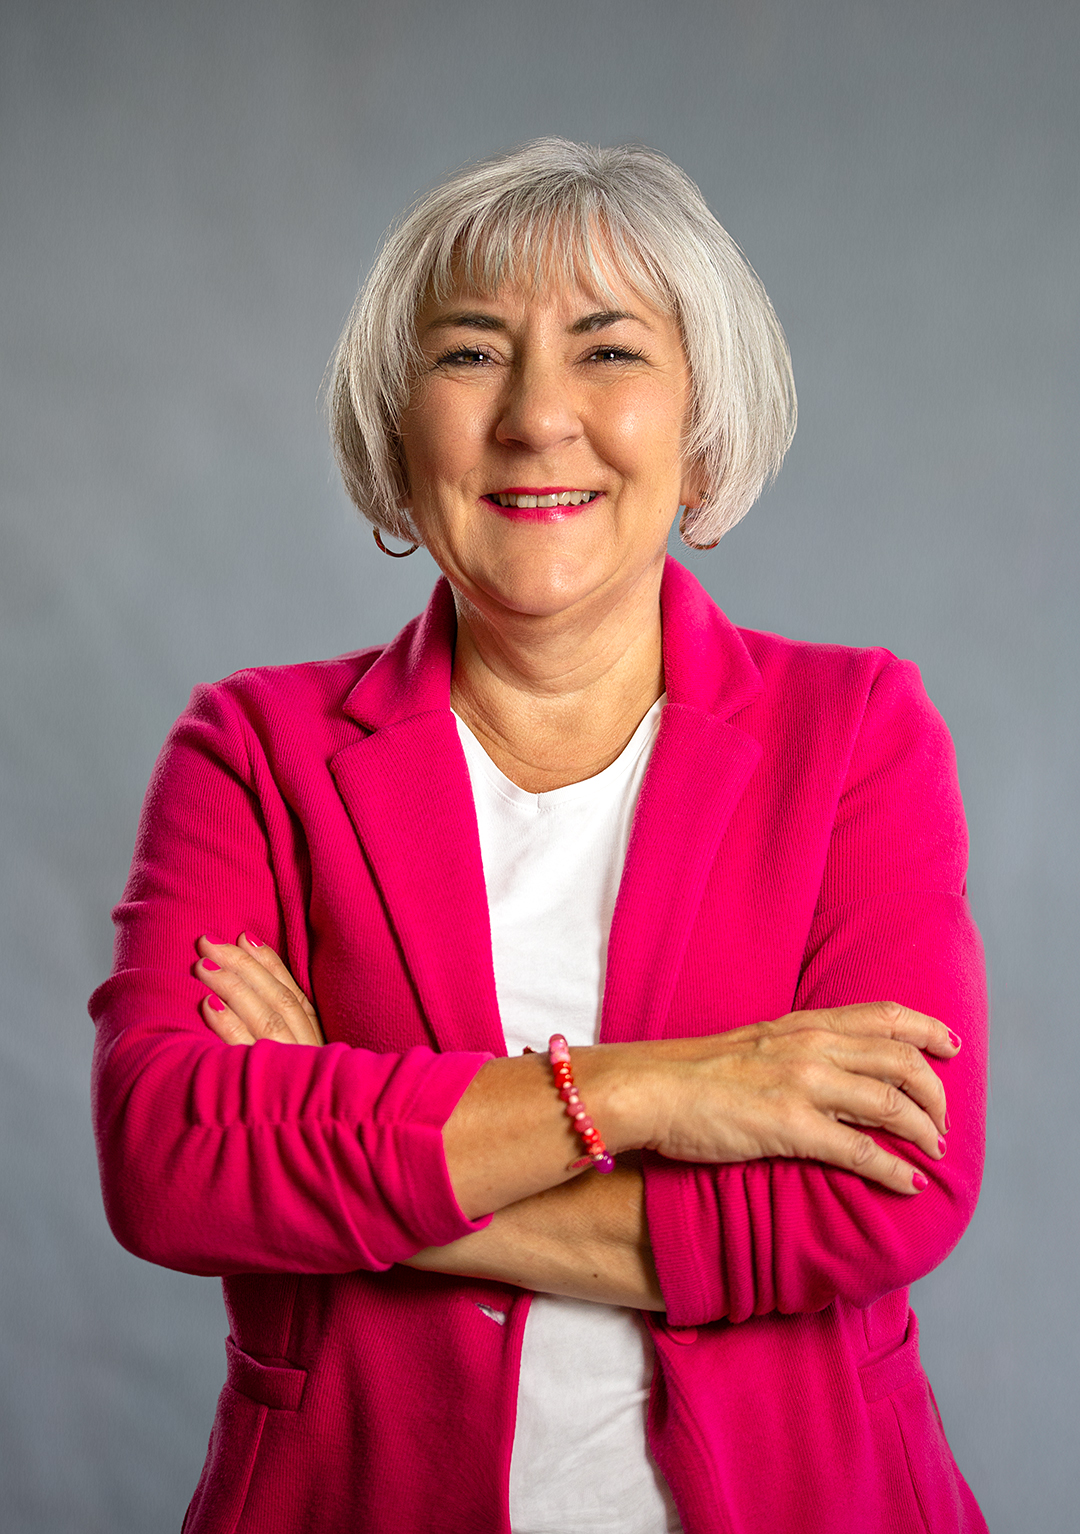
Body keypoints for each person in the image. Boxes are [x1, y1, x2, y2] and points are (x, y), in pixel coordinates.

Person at [90, 138, 988, 1534]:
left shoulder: (856, 732)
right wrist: (654, 1093)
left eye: (609, 351)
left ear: (701, 432)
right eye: (470, 355)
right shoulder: (254, 752)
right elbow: (169, 1161)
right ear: (397, 435)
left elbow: (885, 1194)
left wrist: (345, 1148)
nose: (536, 416)